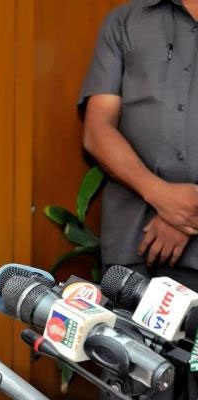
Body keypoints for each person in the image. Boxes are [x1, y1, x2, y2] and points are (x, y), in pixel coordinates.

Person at [79, 0, 198, 398]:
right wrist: (162, 196)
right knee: (132, 384)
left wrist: (190, 210)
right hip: (134, 257)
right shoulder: (125, 21)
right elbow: (97, 129)